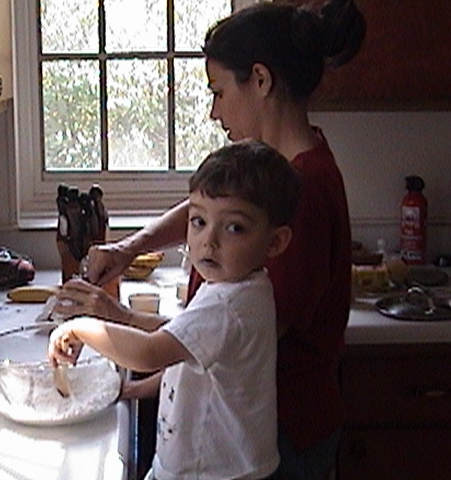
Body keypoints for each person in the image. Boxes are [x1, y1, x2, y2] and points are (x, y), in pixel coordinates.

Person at [60, 1, 366, 479]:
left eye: (219, 92)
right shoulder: (274, 171)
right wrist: (126, 250)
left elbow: (231, 338)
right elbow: (204, 212)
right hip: (253, 426)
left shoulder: (303, 192)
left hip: (282, 433)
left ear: (260, 80)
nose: (213, 111)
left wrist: (111, 320)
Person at [49, 140, 301, 479]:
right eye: (198, 221)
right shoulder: (241, 287)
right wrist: (133, 388)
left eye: (234, 227)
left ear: (275, 242)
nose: (209, 241)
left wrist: (80, 327)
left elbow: (150, 352)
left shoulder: (228, 305)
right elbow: (186, 350)